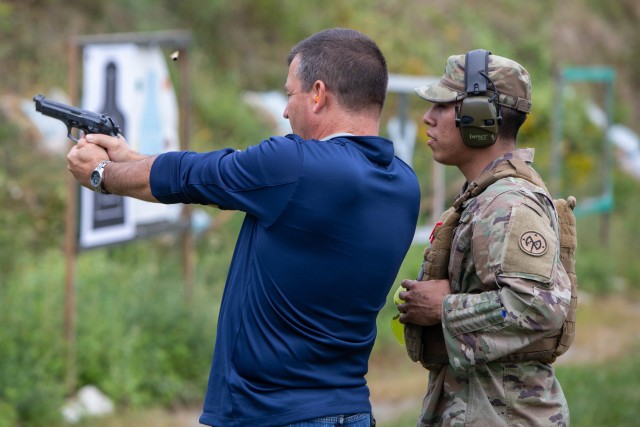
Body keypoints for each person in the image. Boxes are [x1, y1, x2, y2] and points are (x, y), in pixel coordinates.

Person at [67, 28, 420, 427]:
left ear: (318, 94)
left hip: (269, 413)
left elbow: (191, 175)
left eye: (290, 94)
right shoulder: (403, 183)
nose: (286, 112)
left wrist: (101, 173)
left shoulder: (296, 164)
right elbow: (210, 175)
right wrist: (130, 157)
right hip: (351, 411)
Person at [397, 50, 572, 426]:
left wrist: (443, 308)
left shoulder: (508, 202)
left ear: (479, 118)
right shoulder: (485, 196)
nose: (427, 118)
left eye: (442, 106)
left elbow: (539, 306)